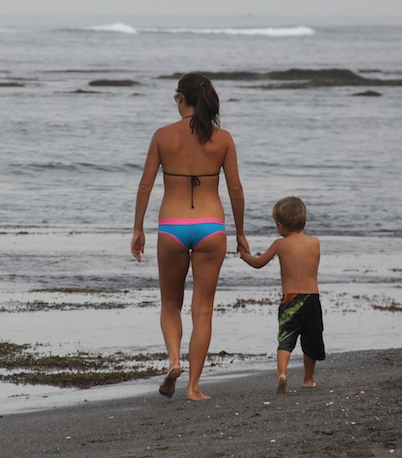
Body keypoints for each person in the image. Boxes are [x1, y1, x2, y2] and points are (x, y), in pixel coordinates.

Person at [132, 72, 248, 401]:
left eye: (175, 95)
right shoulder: (223, 138)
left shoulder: (162, 136)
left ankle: (173, 362)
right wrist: (240, 232)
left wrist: (138, 228)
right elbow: (236, 190)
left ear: (181, 98)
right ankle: (194, 388)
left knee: (170, 303)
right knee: (203, 309)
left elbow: (145, 185)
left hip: (172, 227)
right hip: (211, 227)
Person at [239, 196, 326, 394]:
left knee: (286, 339)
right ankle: (309, 379)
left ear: (280, 226)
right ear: (304, 221)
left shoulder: (280, 244)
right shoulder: (314, 243)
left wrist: (244, 255)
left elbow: (259, 263)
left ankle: (282, 374)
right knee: (311, 341)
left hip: (290, 299)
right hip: (311, 299)